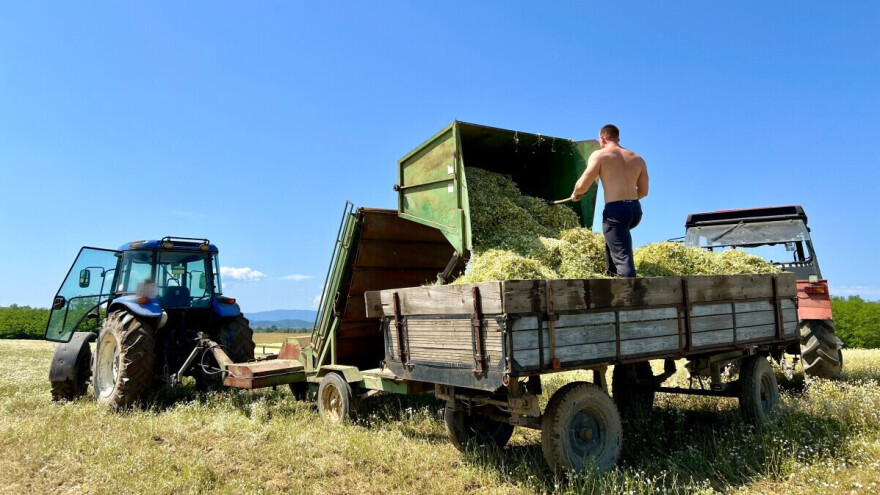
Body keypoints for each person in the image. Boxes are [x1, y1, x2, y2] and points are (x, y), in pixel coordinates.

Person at [570, 124, 649, 277]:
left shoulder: (600, 155)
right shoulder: (638, 159)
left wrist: (576, 193)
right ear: (618, 138)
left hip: (616, 211)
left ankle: (628, 294)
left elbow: (583, 184)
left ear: (603, 138)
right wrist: (627, 201)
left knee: (623, 258)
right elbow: (644, 191)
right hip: (634, 209)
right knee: (613, 240)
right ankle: (611, 276)